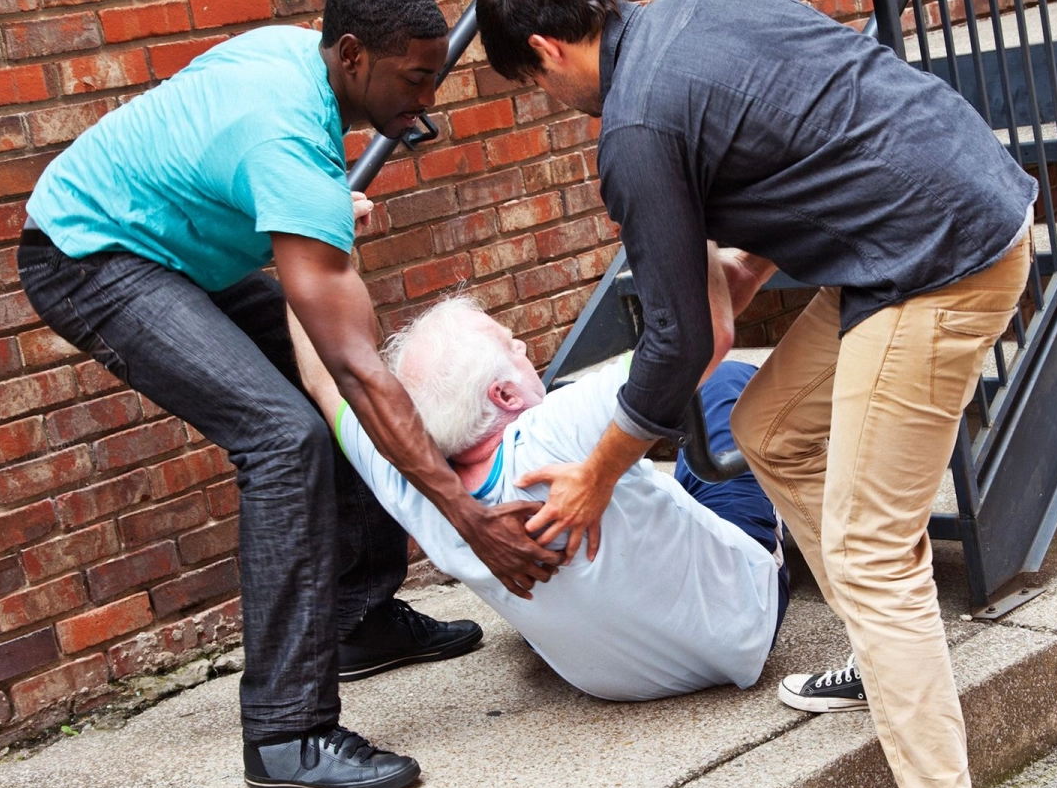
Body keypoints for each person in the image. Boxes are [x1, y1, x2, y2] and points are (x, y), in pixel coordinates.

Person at [475, 0, 1039, 788]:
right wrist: (749, 265)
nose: (550, 99)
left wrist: (595, 475)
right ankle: (884, 655)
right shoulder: (693, 12)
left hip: (936, 261)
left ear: (545, 51)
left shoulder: (635, 128)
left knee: (872, 553)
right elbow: (820, 132)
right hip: (946, 210)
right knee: (771, 430)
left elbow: (676, 345)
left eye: (534, 85)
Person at [18, 0, 565, 788]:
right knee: (284, 439)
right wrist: (469, 520)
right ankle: (287, 733)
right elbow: (356, 372)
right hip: (91, 255)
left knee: (328, 413)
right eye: (416, 78)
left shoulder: (297, 66)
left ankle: (356, 620)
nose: (429, 99)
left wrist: (304, 207)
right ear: (352, 56)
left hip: (173, 248)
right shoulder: (284, 139)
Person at [289, 291, 790, 700]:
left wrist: (312, 249)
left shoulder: (408, 482)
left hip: (608, 683)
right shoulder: (555, 427)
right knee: (724, 386)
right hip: (743, 629)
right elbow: (697, 342)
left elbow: (321, 378)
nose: (526, 349)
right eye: (513, 346)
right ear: (504, 397)